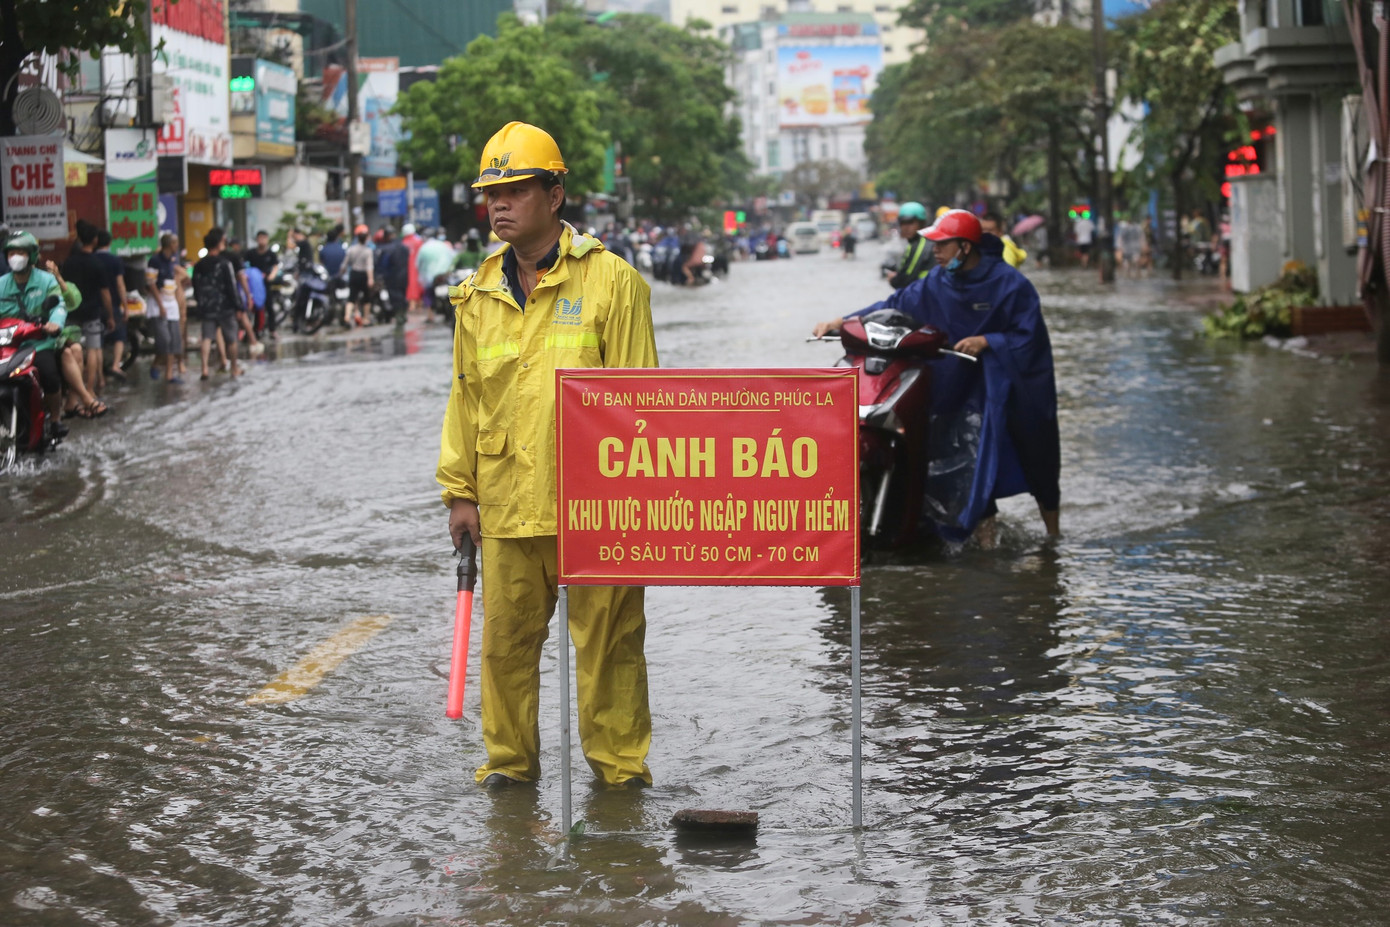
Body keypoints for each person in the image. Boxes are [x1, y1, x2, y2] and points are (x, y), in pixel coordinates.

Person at [438, 121, 658, 789]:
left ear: (554, 194)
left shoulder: (613, 283)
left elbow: (641, 405)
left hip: (597, 508)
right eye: (490, 193)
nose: (497, 205)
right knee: (504, 651)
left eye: (513, 189)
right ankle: (509, 770)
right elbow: (466, 397)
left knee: (610, 651)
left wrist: (638, 506)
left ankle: (619, 776)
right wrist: (459, 491)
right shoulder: (477, 295)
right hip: (506, 506)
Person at [812, 209, 1060, 541]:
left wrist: (988, 341)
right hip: (957, 385)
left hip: (1004, 387)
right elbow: (893, 304)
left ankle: (1053, 537)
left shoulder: (1010, 284)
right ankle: (983, 534)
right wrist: (841, 322)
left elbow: (1030, 338)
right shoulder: (935, 283)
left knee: (1035, 454)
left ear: (966, 247)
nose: (936, 252)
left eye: (942, 245)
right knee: (960, 456)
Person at [0, 230, 101, 428]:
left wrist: (54, 323)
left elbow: (59, 305)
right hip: (9, 343)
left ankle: (55, 418)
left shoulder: (46, 281)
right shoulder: (2, 284)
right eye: (11, 254)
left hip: (38, 341)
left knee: (49, 376)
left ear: (31, 255)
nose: (15, 258)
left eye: (20, 252)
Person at [61, 220, 114, 400]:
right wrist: (111, 315)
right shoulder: (97, 263)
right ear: (94, 240)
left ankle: (74, 392)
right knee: (92, 349)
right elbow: (105, 294)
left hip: (71, 313)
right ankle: (89, 389)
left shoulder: (68, 263)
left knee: (72, 350)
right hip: (92, 313)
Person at [192, 228, 244, 380]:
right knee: (231, 339)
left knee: (207, 337)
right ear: (219, 243)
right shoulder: (224, 263)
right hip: (225, 307)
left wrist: (200, 303)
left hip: (207, 307)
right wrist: (238, 306)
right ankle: (234, 368)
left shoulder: (199, 265)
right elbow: (231, 286)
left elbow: (196, 287)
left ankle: (204, 369)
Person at [145, 233, 184, 384]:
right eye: (175, 243)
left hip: (171, 301)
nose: (177, 246)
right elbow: (151, 283)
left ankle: (169, 374)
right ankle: (155, 364)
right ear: (169, 245)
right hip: (158, 303)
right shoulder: (154, 261)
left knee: (174, 339)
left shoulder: (171, 261)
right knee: (164, 340)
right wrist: (160, 305)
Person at [93, 229, 130, 380]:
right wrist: (126, 306)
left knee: (97, 342)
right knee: (119, 336)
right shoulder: (115, 260)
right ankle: (115, 365)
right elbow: (120, 285)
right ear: (109, 243)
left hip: (94, 306)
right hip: (113, 304)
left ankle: (100, 375)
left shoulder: (92, 259)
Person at [888, 202, 932, 289]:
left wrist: (893, 280)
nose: (906, 227)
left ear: (921, 223)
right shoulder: (915, 244)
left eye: (910, 222)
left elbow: (906, 279)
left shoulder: (921, 244)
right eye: (903, 223)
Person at [376, 227, 409, 326]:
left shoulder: (386, 249)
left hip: (392, 277)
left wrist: (381, 275)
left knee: (395, 298)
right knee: (403, 296)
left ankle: (399, 316)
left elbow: (383, 264)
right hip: (404, 276)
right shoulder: (403, 247)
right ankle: (403, 315)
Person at [343, 224, 375, 327]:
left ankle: (347, 317)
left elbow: (345, 264)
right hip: (363, 275)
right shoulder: (368, 250)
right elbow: (369, 267)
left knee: (351, 297)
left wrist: (341, 273)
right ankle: (366, 319)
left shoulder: (351, 249)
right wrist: (370, 279)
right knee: (366, 298)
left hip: (353, 274)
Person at [402, 223, 424, 315]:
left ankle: (412, 305)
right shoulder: (419, 241)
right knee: (418, 284)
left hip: (406, 268)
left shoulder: (403, 243)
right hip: (418, 267)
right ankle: (418, 304)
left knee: (410, 285)